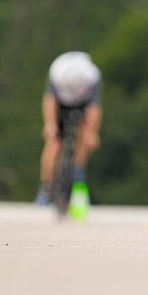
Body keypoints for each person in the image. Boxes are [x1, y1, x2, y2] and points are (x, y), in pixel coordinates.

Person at [36, 51, 103, 214]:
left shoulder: (92, 76)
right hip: (60, 103)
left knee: (85, 136)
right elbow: (50, 101)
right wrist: (50, 124)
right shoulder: (57, 71)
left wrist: (92, 133)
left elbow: (94, 109)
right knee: (53, 142)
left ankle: (78, 168)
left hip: (83, 103)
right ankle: (46, 187)